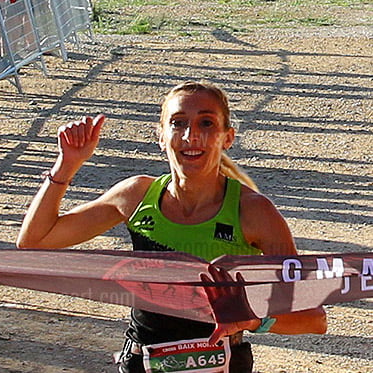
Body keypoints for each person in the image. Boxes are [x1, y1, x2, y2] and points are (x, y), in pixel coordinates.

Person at [16, 81, 327, 372]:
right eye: (178, 123)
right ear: (161, 135)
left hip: (221, 364)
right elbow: (35, 240)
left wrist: (251, 319)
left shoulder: (253, 212)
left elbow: (313, 318)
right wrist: (66, 165)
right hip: (144, 361)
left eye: (206, 123)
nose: (192, 136)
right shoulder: (136, 195)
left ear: (227, 137)